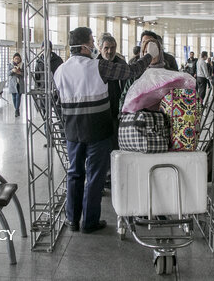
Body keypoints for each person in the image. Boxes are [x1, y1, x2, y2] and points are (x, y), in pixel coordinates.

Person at [54, 27, 156, 234]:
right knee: (94, 176)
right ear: (84, 46)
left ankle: (72, 220)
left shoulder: (60, 71)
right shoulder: (99, 67)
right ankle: (89, 222)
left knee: (74, 173)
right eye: (92, 42)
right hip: (97, 130)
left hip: (72, 131)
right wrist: (148, 57)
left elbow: (57, 102)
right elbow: (131, 71)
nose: (93, 45)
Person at [97, 34, 127, 152]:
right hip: (99, 111)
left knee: (116, 142)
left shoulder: (121, 65)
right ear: (100, 49)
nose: (110, 51)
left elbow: (126, 88)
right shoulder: (95, 65)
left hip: (116, 111)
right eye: (106, 48)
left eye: (113, 48)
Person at [8, 52, 25, 117]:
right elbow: (8, 73)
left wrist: (19, 72)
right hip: (13, 83)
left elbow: (25, 74)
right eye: (15, 59)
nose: (17, 60)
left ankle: (17, 110)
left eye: (18, 59)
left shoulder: (22, 65)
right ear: (13, 59)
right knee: (14, 97)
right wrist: (12, 71)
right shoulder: (10, 65)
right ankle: (16, 109)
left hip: (19, 83)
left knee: (18, 96)